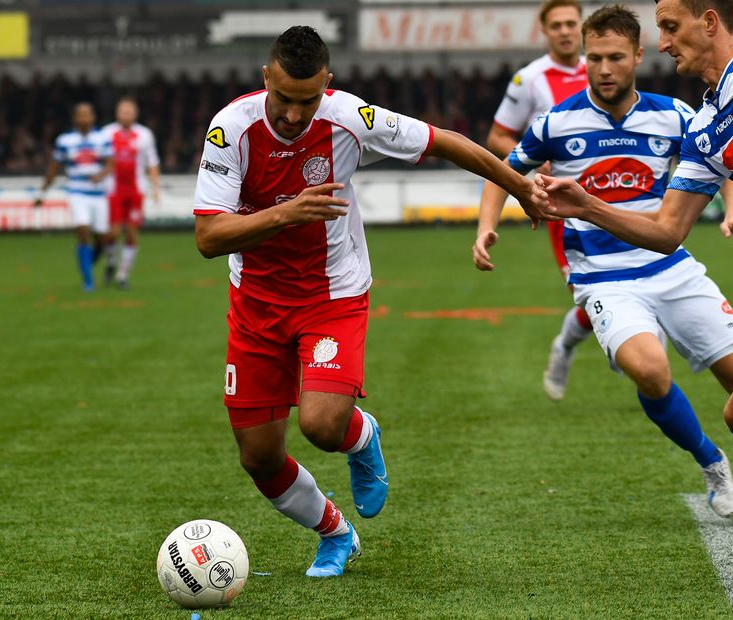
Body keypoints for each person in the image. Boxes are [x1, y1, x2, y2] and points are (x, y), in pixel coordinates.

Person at [475, 3, 733, 524]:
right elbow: (663, 226)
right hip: (610, 275)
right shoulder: (590, 123)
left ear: (706, 22)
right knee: (693, 387)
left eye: (668, 28)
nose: (662, 43)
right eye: (595, 58)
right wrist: (564, 209)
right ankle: (727, 474)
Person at [194, 26, 539, 578]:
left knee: (322, 426)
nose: (291, 114)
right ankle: (335, 533)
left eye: (307, 101)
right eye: (282, 98)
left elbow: (445, 141)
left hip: (332, 295)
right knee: (258, 456)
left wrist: (518, 186)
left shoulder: (349, 117)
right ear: (266, 79)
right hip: (256, 304)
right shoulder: (230, 128)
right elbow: (209, 238)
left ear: (327, 84)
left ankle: (362, 434)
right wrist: (287, 212)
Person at [487, 0, 591, 401]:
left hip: (619, 197)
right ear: (544, 30)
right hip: (562, 205)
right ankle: (565, 347)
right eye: (557, 25)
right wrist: (534, 156)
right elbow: (497, 137)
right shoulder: (528, 80)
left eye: (571, 24)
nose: (566, 31)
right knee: (588, 294)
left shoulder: (602, 69)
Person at [36, 103, 114, 292]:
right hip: (77, 192)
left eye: (87, 114)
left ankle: (88, 261)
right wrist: (42, 193)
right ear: (75, 118)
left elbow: (112, 163)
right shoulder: (65, 141)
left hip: (98, 195)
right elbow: (54, 168)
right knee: (83, 231)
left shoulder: (102, 138)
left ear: (93, 118)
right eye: (81, 115)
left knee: (103, 238)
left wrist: (101, 175)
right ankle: (88, 280)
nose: (84, 118)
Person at [102, 97, 162, 289]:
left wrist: (155, 187)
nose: (126, 114)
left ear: (135, 113)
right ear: (117, 113)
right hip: (113, 189)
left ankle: (122, 274)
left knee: (130, 232)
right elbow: (100, 160)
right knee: (112, 232)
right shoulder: (107, 133)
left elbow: (152, 163)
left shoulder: (144, 135)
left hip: (136, 190)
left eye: (129, 111)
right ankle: (111, 261)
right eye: (123, 111)